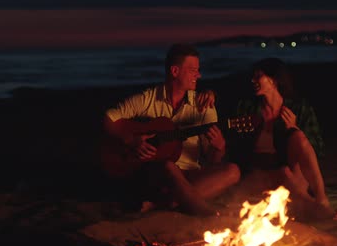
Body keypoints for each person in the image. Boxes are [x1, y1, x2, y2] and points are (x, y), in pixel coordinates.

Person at [102, 43, 240, 216]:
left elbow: (214, 160)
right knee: (168, 166)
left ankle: (165, 204)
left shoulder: (204, 105)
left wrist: (219, 147)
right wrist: (131, 140)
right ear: (175, 71)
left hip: (191, 174)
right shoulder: (148, 98)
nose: (199, 75)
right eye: (193, 70)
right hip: (158, 176)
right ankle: (206, 215)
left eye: (198, 70)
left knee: (233, 171)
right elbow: (109, 118)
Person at [227, 57, 337, 221]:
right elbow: (236, 147)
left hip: (291, 168)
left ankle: (322, 200)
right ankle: (316, 209)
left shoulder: (299, 107)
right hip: (257, 173)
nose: (253, 80)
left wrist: (293, 128)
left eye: (258, 76)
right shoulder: (247, 107)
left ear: (273, 80)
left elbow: (316, 147)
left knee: (298, 137)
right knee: (284, 173)